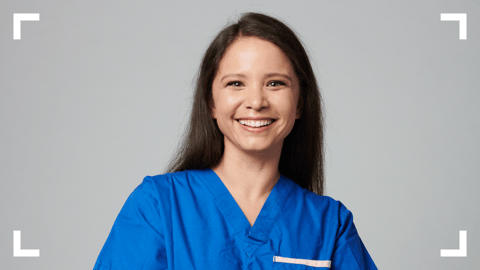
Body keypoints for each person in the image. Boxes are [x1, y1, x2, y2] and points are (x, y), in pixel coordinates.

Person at [93, 12, 377, 269]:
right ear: (211, 102)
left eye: (275, 83)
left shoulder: (329, 224)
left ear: (300, 103)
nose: (255, 101)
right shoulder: (158, 206)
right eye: (236, 83)